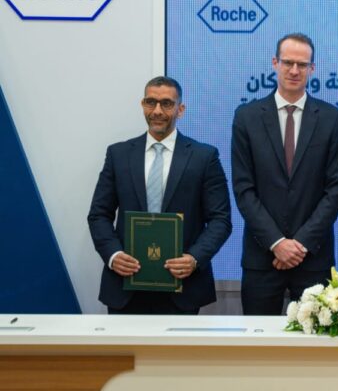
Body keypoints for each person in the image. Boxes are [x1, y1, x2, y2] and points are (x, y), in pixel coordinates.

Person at [88, 76, 232, 314]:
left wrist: (194, 258)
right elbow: (99, 215)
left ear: (180, 109)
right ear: (142, 105)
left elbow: (221, 220)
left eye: (166, 103)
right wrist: (113, 255)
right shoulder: (118, 154)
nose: (157, 111)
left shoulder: (204, 157)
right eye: (150, 102)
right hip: (126, 286)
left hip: (183, 287)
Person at [232, 33, 338, 315]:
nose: (294, 70)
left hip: (314, 258)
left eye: (302, 64)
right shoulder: (247, 117)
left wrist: (301, 243)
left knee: (317, 341)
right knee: (259, 339)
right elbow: (244, 189)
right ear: (275, 63)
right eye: (288, 63)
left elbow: (337, 188)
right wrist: (277, 242)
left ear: (312, 69)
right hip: (262, 258)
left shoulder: (331, 118)